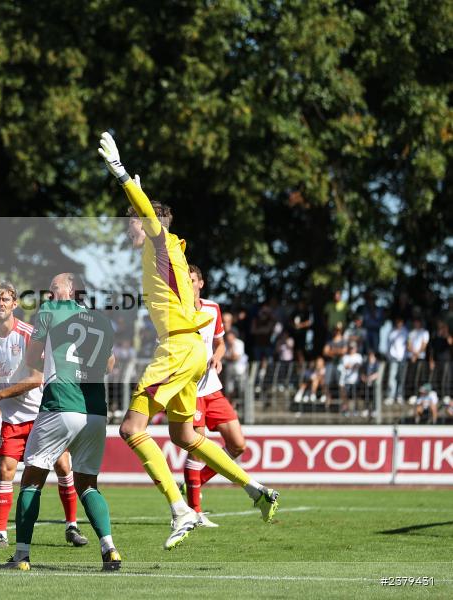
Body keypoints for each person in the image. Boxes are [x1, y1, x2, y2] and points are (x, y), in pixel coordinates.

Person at [98, 132, 278, 551]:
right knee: (184, 437)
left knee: (131, 428)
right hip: (189, 351)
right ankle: (257, 490)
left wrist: (122, 175)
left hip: (178, 349)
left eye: (133, 222)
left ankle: (180, 510)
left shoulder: (160, 244)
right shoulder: (166, 252)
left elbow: (148, 215)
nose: (129, 228)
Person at [0, 281, 86, 548]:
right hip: (12, 419)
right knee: (6, 471)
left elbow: (36, 379)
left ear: (14, 304)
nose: (0, 303)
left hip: (42, 414)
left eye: (5, 299)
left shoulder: (28, 335)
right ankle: (0, 534)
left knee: (63, 466)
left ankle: (72, 526)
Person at [2, 273, 121, 571]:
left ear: (71, 290)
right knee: (87, 484)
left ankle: (21, 556)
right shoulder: (101, 321)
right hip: (94, 411)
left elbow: (31, 358)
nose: (49, 292)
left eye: (54, 287)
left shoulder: (49, 311)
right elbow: (109, 364)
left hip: (60, 404)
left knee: (31, 479)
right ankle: (110, 550)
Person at [181, 266, 249, 528]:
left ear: (201, 283)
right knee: (197, 448)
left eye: (192, 281)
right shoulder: (177, 311)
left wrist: (217, 359)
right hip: (190, 390)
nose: (188, 285)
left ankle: (194, 483)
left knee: (238, 445)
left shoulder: (212, 308)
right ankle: (194, 511)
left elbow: (220, 343)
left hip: (212, 387)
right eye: (184, 281)